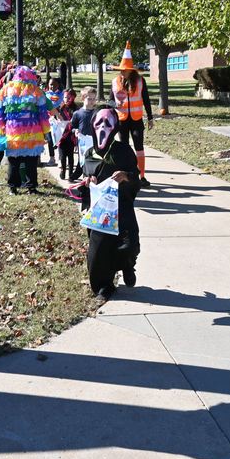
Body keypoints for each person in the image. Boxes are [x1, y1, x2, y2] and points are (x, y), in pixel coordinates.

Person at [79, 108, 142, 301]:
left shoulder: (124, 151)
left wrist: (126, 177)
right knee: (98, 253)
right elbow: (84, 177)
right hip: (100, 211)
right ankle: (104, 287)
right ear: (92, 126)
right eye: (99, 123)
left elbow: (136, 179)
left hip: (122, 208)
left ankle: (126, 266)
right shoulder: (89, 153)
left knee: (129, 246)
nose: (102, 127)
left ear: (115, 127)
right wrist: (88, 182)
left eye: (108, 123)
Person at [0, 66, 51, 194]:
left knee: (14, 161)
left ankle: (13, 188)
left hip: (13, 132)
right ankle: (31, 187)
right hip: (33, 132)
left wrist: (0, 130)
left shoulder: (6, 90)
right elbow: (43, 114)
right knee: (31, 161)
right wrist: (46, 131)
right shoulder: (36, 91)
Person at [110, 42, 155, 187]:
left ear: (131, 71)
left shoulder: (141, 81)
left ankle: (141, 176)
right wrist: (114, 106)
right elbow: (110, 100)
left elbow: (146, 100)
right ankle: (125, 176)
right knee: (124, 148)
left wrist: (150, 117)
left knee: (139, 148)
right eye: (121, 70)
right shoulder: (115, 82)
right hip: (122, 120)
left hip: (136, 120)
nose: (122, 72)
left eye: (125, 70)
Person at [69, 86, 99, 181]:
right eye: (89, 99)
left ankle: (91, 178)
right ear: (83, 98)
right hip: (83, 142)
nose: (92, 101)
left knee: (93, 161)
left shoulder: (97, 113)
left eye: (94, 99)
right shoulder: (77, 113)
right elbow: (72, 127)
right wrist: (75, 131)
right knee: (82, 160)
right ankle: (77, 176)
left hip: (95, 141)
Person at [55, 90, 78, 180]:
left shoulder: (76, 109)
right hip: (61, 135)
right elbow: (53, 116)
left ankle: (71, 173)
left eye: (69, 97)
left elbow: (77, 122)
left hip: (71, 136)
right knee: (62, 155)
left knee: (70, 155)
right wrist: (56, 120)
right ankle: (63, 171)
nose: (67, 99)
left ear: (73, 98)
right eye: (65, 97)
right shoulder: (60, 108)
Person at [43, 78, 64, 167]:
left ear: (58, 85)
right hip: (48, 119)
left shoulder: (62, 94)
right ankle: (52, 157)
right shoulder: (45, 94)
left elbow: (60, 104)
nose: (52, 86)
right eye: (51, 84)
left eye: (54, 85)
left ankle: (60, 158)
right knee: (49, 139)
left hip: (58, 118)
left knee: (59, 138)